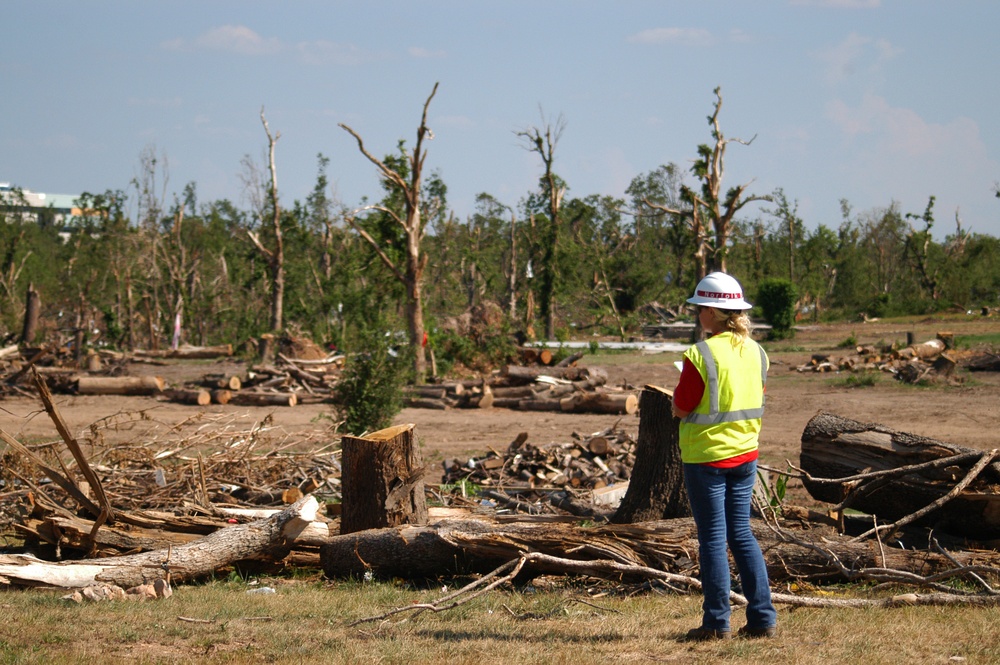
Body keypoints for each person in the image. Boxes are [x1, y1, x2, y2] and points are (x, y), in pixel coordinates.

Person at [671, 271, 777, 641]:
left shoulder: (701, 354)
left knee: (714, 540)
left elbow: (683, 407)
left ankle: (716, 623)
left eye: (700, 308)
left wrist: (675, 401)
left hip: (707, 459)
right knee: (742, 535)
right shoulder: (757, 351)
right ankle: (763, 618)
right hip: (745, 456)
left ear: (713, 313)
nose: (697, 313)